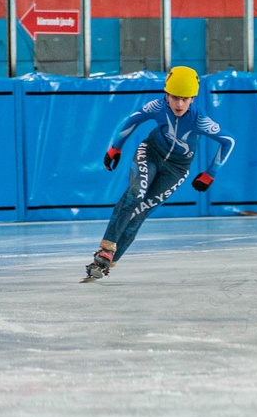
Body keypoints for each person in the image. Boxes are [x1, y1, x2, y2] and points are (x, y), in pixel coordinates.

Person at [84, 66, 236, 280]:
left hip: (177, 169)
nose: (179, 104)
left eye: (185, 99)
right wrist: (116, 147)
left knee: (140, 213)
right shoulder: (157, 106)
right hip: (151, 153)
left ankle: (107, 263)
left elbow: (228, 141)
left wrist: (211, 173)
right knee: (135, 194)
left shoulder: (199, 119)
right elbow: (133, 120)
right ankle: (106, 249)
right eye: (175, 97)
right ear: (166, 94)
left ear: (193, 98)